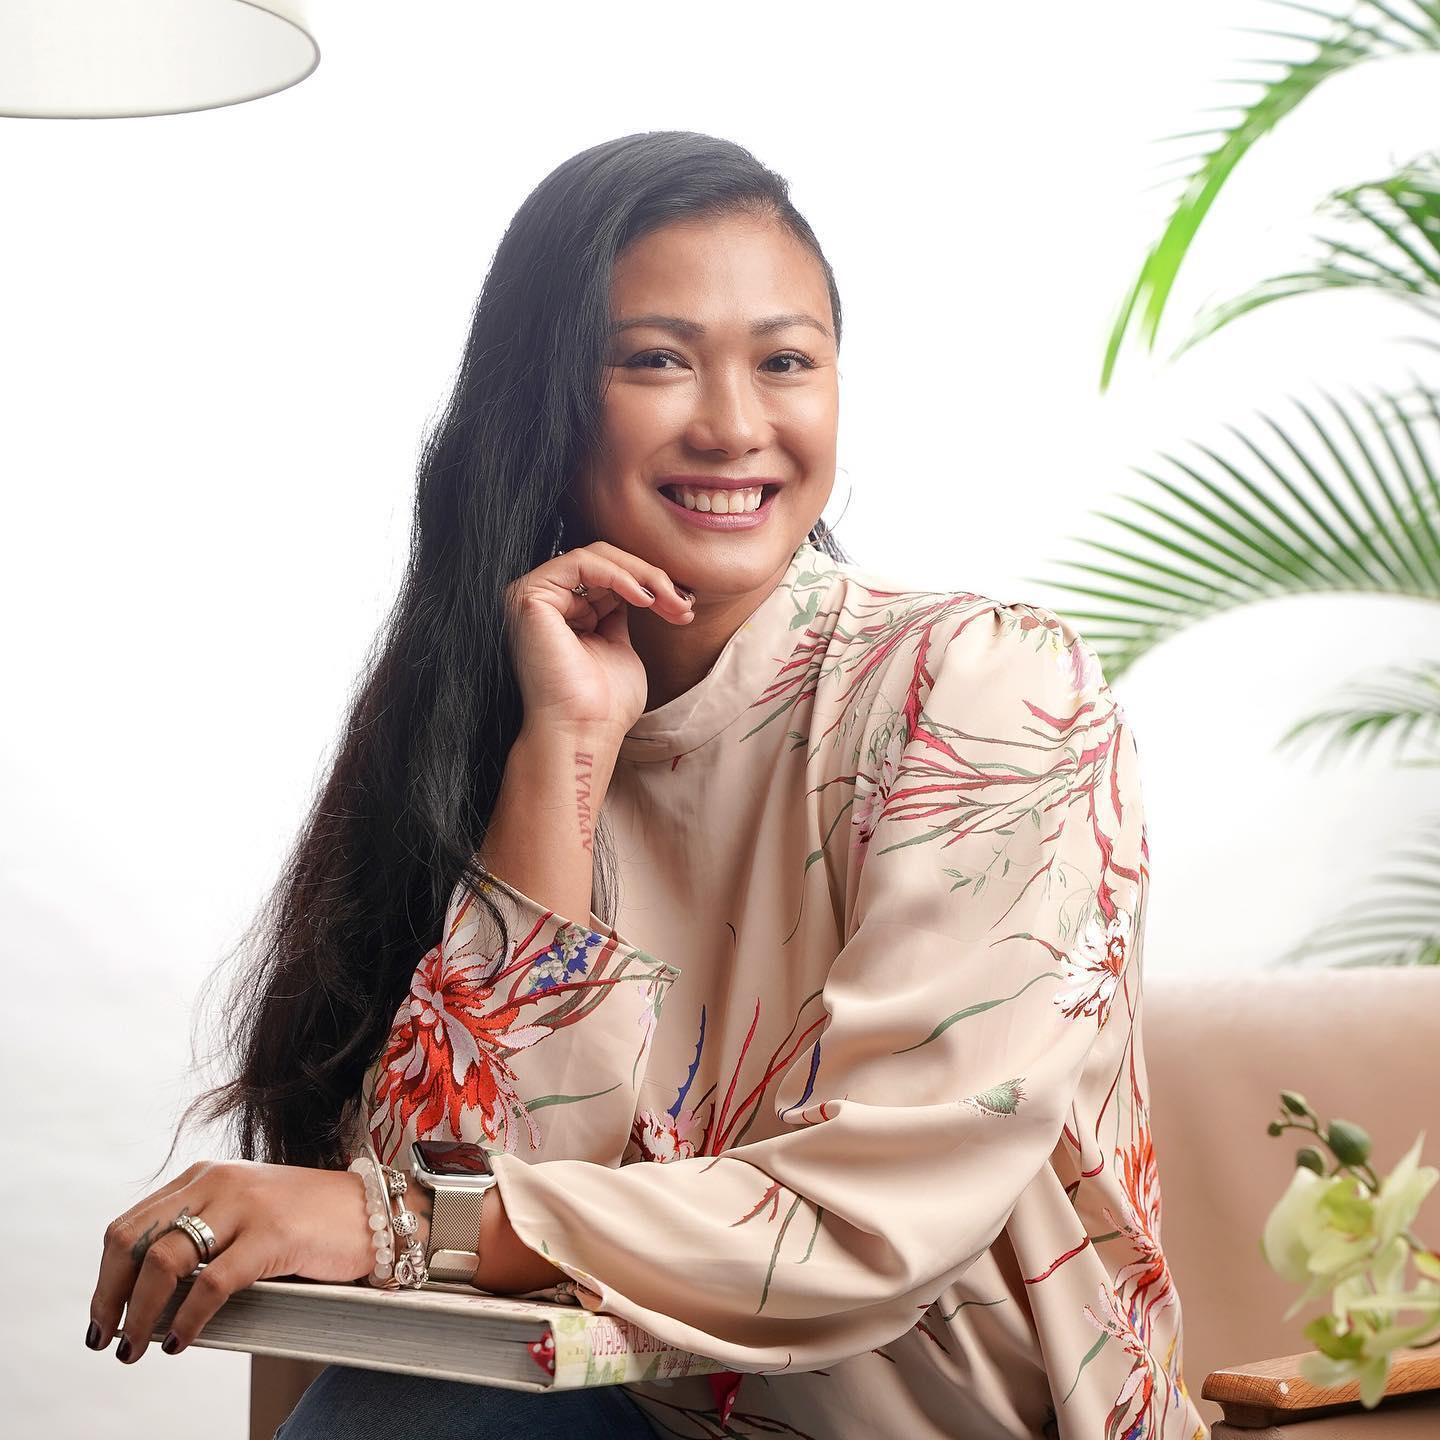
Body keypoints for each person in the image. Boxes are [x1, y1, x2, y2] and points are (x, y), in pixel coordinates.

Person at [86, 130, 1210, 1440]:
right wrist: (561, 759)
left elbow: (867, 1223)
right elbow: (447, 1266)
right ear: (546, 400)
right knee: (413, 1393)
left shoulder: (982, 693)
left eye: (785, 361)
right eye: (657, 360)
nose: (735, 423)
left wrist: (400, 1222)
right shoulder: (519, 726)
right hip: (642, 1416)